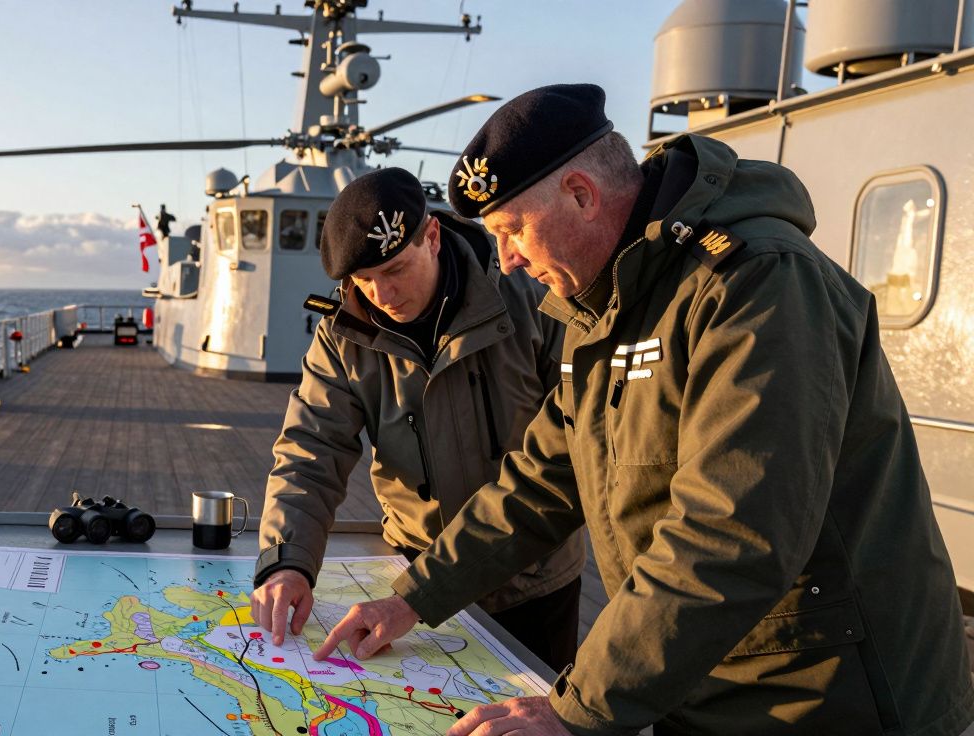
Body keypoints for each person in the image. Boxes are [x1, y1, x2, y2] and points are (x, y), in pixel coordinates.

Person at [313, 84, 974, 735]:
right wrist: (414, 599)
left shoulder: (756, 285)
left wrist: (576, 710)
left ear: (580, 195)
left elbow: (732, 533)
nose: (507, 260)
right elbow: (539, 482)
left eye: (512, 230)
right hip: (701, 682)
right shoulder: (599, 308)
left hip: (828, 698)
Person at [251, 167, 585, 672]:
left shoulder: (534, 299)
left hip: (530, 583)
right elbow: (310, 450)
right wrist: (287, 561)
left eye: (395, 270)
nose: (382, 296)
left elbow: (572, 449)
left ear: (432, 236)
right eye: (363, 280)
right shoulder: (343, 335)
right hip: (409, 579)